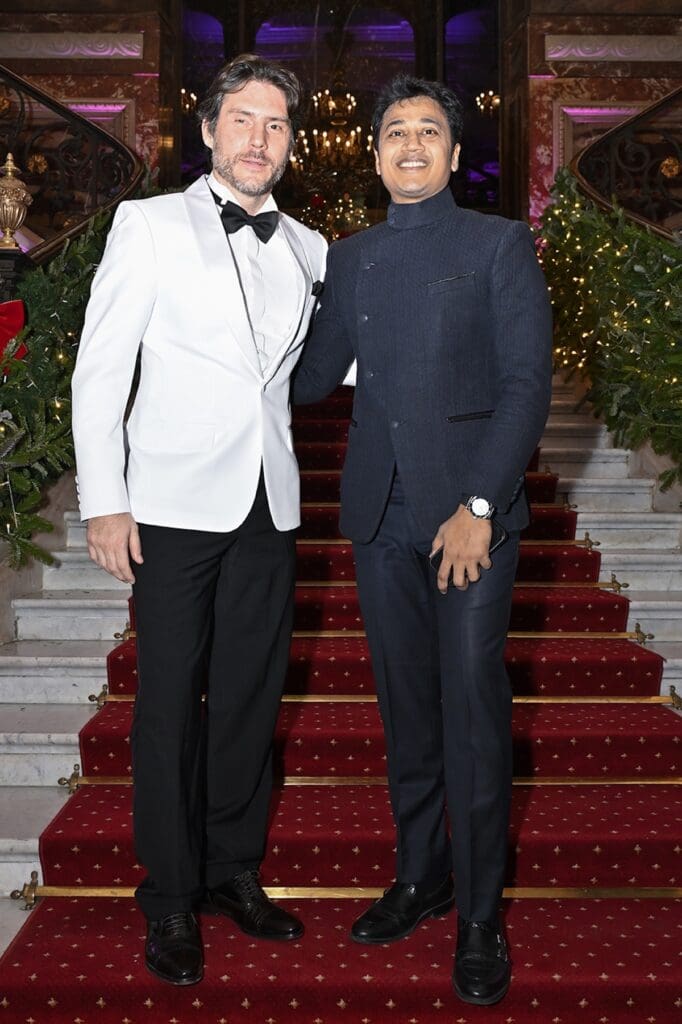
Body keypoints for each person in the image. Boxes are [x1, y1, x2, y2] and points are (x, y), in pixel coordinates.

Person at [293, 74, 552, 1006]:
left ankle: (480, 914)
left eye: (428, 131)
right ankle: (421, 875)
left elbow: (526, 385)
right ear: (373, 154)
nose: (410, 144)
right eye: (395, 131)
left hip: (466, 520)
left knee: (472, 714)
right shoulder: (351, 259)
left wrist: (480, 504)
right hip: (378, 516)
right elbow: (309, 378)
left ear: (452, 151)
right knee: (406, 710)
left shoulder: (497, 244)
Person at [71, 54, 327, 986]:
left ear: (290, 144)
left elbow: (327, 366)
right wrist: (105, 499)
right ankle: (172, 893)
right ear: (210, 129)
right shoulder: (147, 224)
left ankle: (231, 871)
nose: (260, 139)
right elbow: (101, 368)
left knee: (251, 701)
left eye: (277, 125)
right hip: (170, 506)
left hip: (269, 504)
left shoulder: (310, 247)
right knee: (170, 704)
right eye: (244, 120)